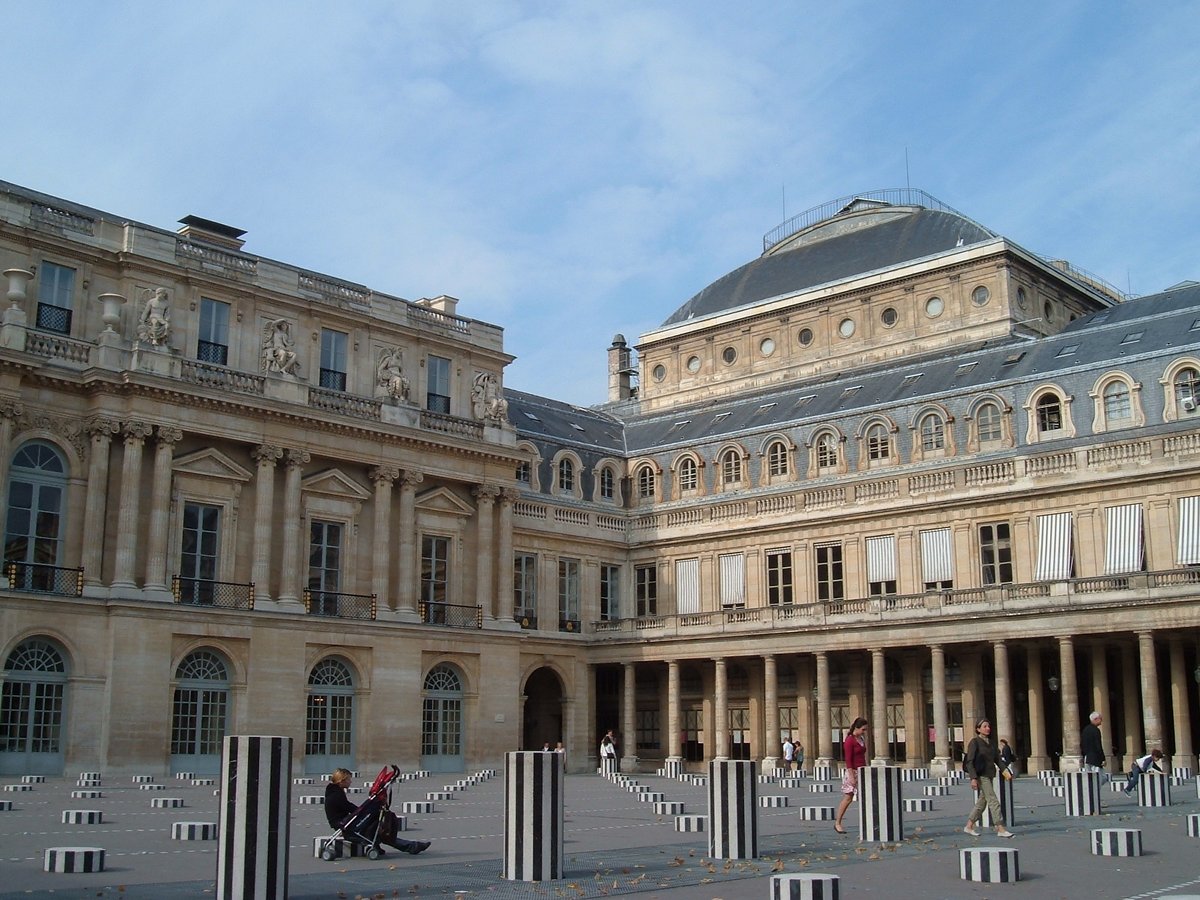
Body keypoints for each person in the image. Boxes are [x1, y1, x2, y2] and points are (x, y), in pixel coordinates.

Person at [324, 768, 429, 855]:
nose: (350, 782)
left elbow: (349, 807)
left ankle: (411, 846)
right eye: (348, 780)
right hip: (343, 823)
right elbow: (348, 807)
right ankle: (412, 846)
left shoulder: (334, 791)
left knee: (377, 829)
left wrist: (361, 810)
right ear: (341, 781)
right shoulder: (336, 795)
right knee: (379, 832)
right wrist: (362, 810)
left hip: (345, 821)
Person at [962, 719, 1015, 839]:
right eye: (985, 726)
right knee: (993, 800)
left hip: (990, 774)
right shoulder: (974, 742)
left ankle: (969, 826)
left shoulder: (991, 743)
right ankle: (1000, 827)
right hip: (981, 775)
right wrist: (973, 778)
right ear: (978, 729)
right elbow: (970, 762)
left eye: (988, 726)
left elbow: (997, 759)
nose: (988, 728)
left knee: (982, 802)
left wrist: (1005, 771)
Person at [833, 717, 868, 834]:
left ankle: (869, 821)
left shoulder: (861, 739)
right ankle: (838, 823)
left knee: (867, 797)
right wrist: (851, 775)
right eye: (863, 729)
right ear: (857, 728)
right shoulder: (849, 740)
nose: (864, 732)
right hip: (853, 771)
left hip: (862, 770)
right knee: (848, 797)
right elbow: (848, 759)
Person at [1081, 711, 1107, 777]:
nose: (1101, 721)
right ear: (1095, 719)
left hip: (1087, 758)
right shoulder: (1095, 730)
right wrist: (1103, 758)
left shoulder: (1085, 730)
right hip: (1095, 758)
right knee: (1101, 777)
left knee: (1089, 778)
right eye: (1100, 719)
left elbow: (1082, 744)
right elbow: (1098, 745)